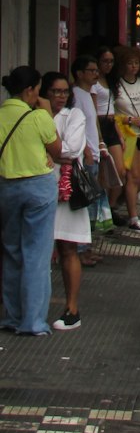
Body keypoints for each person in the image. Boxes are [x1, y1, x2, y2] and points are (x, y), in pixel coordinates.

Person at [0, 66, 61, 335]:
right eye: (38, 89)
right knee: (36, 254)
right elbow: (57, 150)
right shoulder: (39, 116)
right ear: (29, 90)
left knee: (12, 252)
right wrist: (46, 112)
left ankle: (12, 317)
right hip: (38, 187)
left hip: (6, 187)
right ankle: (33, 322)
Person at [40, 71, 91, 331]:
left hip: (67, 189)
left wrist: (49, 151)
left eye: (63, 92)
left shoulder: (75, 115)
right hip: (39, 186)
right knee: (38, 249)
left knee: (68, 248)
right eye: (54, 92)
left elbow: (70, 150)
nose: (60, 96)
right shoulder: (38, 115)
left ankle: (72, 308)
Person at [113, 46, 140, 233]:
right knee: (132, 177)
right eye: (129, 63)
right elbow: (111, 113)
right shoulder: (117, 85)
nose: (133, 66)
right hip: (125, 135)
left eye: (136, 63)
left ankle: (115, 204)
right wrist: (128, 120)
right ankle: (133, 217)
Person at [70, 55, 105, 267]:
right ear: (79, 73)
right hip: (86, 155)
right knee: (86, 202)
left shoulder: (88, 94)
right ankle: (81, 250)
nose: (95, 73)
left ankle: (87, 247)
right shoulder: (75, 95)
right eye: (91, 70)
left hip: (94, 152)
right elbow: (77, 126)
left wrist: (100, 144)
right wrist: (87, 150)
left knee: (92, 201)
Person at [92, 46, 125, 221]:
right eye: (105, 61)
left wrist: (119, 133)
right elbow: (93, 108)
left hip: (112, 123)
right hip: (99, 123)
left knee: (120, 170)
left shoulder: (111, 81)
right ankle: (101, 208)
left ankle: (111, 206)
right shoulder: (94, 82)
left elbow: (112, 108)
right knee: (101, 171)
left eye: (111, 61)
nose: (108, 65)